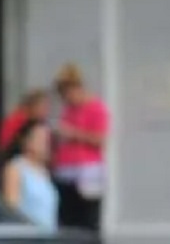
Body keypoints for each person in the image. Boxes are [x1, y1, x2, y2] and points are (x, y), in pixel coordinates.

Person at [51, 63, 108, 232]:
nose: (66, 98)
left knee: (88, 223)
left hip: (87, 175)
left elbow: (99, 139)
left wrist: (72, 134)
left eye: (67, 93)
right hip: (65, 174)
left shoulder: (96, 108)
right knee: (67, 222)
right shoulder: (67, 110)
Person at [0, 119, 58, 230]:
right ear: (26, 140)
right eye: (39, 138)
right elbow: (11, 209)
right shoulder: (15, 168)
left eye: (46, 139)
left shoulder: (45, 171)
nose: (44, 143)